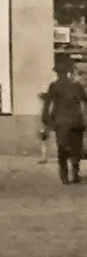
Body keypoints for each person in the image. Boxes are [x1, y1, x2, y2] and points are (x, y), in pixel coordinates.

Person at [42, 57, 87, 185]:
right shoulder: (77, 86)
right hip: (76, 122)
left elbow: (47, 104)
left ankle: (64, 176)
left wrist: (46, 120)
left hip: (61, 122)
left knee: (62, 149)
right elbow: (85, 101)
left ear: (57, 73)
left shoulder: (54, 86)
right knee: (76, 148)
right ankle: (75, 174)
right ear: (69, 72)